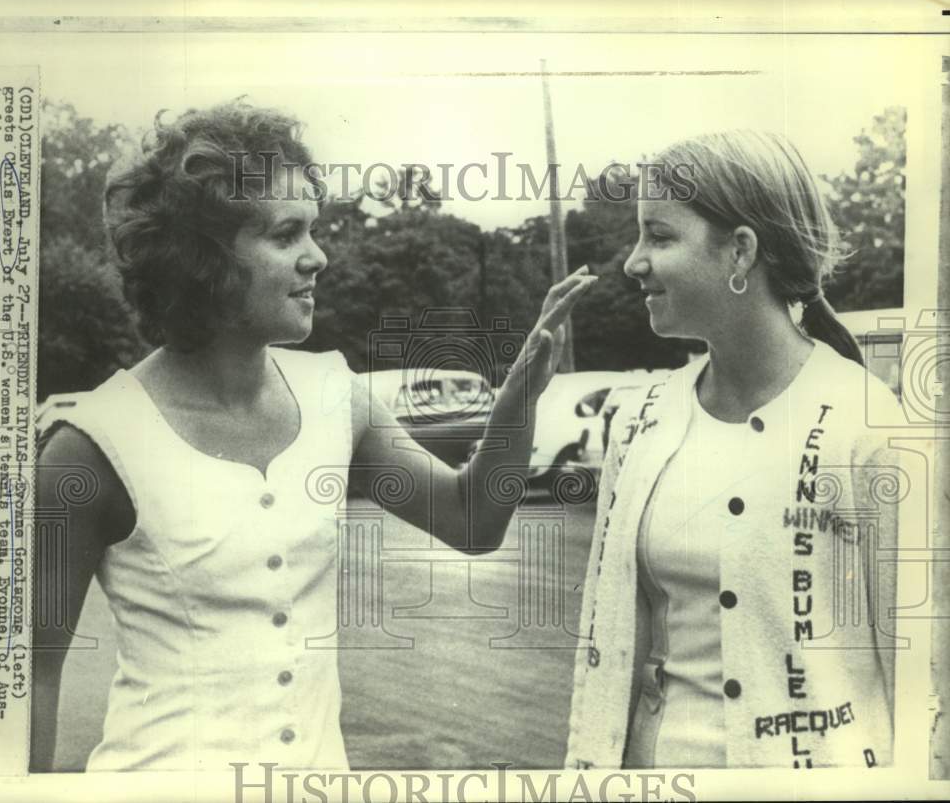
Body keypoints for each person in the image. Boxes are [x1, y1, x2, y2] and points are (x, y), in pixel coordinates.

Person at [30, 99, 596, 772]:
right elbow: (30, 681)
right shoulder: (90, 445)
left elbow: (473, 519)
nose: (318, 256)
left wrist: (521, 393)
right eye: (286, 234)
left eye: (314, 230)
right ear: (200, 258)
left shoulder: (335, 395)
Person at [565, 130, 903, 770]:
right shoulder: (640, 420)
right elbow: (609, 641)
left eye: (659, 237)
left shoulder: (865, 422)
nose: (634, 261)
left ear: (740, 252)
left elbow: (927, 674)